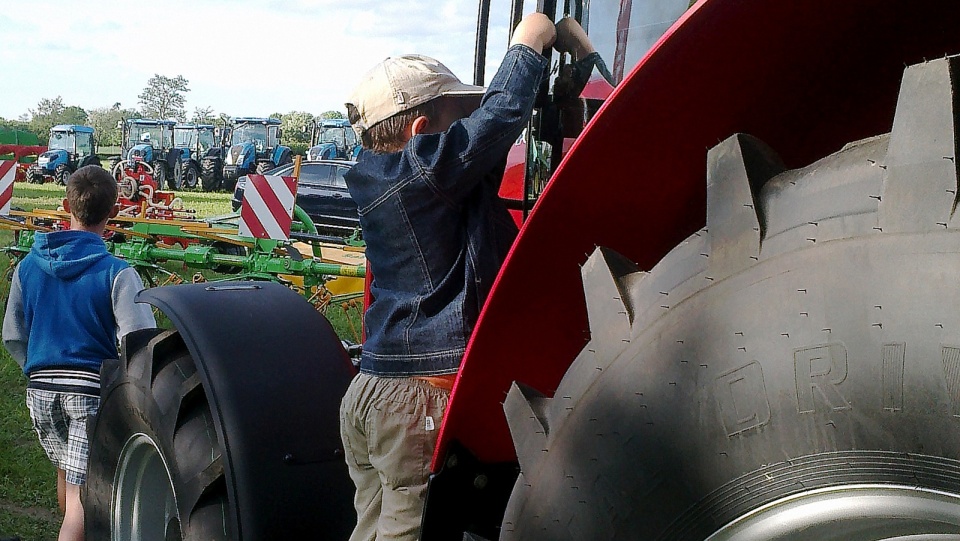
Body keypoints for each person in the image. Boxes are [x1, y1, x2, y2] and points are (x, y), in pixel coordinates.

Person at [339, 13, 592, 541]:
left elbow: (492, 147)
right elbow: (499, 117)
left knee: (373, 527)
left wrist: (575, 83)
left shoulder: (391, 183)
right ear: (419, 131)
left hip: (371, 392)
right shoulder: (422, 172)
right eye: (459, 120)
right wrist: (533, 37)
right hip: (416, 402)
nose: (468, 132)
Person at [2, 165, 156, 541]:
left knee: (65, 476)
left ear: (64, 204)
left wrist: (37, 370)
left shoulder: (27, 268)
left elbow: (13, 335)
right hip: (87, 395)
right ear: (115, 212)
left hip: (40, 393)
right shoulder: (118, 273)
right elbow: (139, 340)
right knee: (80, 502)